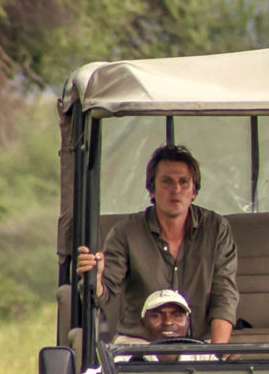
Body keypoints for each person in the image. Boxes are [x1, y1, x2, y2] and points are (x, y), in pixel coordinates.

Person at [76, 144, 239, 349]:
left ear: (194, 191)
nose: (176, 190)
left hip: (198, 341)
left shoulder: (216, 228)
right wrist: (94, 277)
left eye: (183, 182)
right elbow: (103, 294)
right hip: (139, 342)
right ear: (151, 189)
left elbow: (224, 294)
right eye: (167, 182)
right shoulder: (126, 231)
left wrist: (218, 354)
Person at [110, 288, 217, 361]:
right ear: (143, 323)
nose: (168, 322)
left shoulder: (206, 358)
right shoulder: (125, 360)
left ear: (187, 322)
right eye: (157, 316)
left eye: (177, 315)